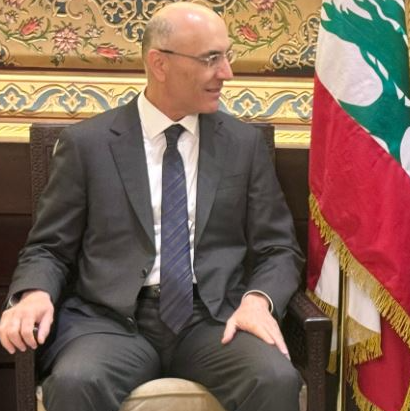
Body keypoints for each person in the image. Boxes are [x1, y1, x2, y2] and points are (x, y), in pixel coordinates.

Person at [0, 3, 304, 411]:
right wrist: (34, 293)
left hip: (212, 318)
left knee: (274, 379)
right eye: (211, 59)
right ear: (160, 63)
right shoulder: (87, 145)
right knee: (76, 382)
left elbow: (279, 248)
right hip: (109, 321)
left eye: (227, 56)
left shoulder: (242, 145)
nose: (227, 73)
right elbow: (48, 247)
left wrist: (257, 300)